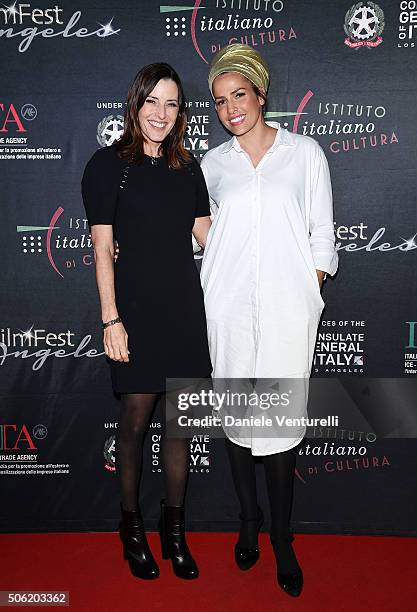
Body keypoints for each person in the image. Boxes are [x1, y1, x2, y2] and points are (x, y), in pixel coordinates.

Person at [200, 44, 338, 597]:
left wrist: (305, 290)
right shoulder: (212, 165)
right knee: (238, 420)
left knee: (279, 428)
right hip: (228, 309)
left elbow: (322, 235)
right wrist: (220, 268)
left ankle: (282, 537)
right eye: (219, 101)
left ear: (261, 94)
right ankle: (248, 522)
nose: (231, 108)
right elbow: (199, 226)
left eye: (239, 95)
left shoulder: (305, 154)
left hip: (287, 310)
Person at [81, 63, 212, 581]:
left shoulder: (189, 168)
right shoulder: (108, 164)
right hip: (134, 313)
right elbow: (102, 250)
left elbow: (209, 239)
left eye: (172, 104)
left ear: (181, 112)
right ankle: (130, 528)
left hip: (184, 311)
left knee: (181, 428)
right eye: (152, 102)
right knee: (134, 426)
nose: (161, 114)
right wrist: (111, 320)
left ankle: (174, 530)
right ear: (135, 104)